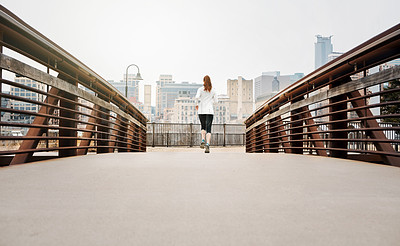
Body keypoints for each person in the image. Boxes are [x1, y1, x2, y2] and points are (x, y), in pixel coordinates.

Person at [195, 75, 218, 153]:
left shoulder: (200, 89)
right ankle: (207, 144)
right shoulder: (213, 90)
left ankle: (203, 140)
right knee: (209, 129)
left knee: (203, 127)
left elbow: (197, 97)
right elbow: (216, 101)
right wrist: (211, 102)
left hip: (201, 111)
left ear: (203, 81)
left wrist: (197, 104)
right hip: (210, 111)